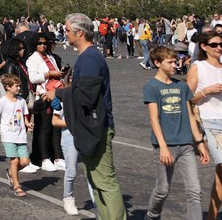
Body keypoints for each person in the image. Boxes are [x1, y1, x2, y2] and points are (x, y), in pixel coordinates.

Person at [55, 13, 126, 220]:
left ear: (79, 32)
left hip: (98, 126)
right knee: (96, 182)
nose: (65, 33)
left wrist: (59, 93)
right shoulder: (87, 57)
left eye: (67, 30)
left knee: (105, 182)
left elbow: (86, 96)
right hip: (91, 126)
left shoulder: (90, 58)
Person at [143, 44, 208, 220]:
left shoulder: (181, 86)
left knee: (194, 190)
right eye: (170, 62)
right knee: (162, 189)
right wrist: (163, 147)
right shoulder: (152, 87)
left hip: (186, 144)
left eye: (175, 61)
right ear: (157, 63)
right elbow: (154, 119)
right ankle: (152, 215)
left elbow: (190, 115)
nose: (175, 65)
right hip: (165, 146)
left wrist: (200, 143)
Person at [188, 27, 222, 219]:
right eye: (214, 45)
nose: (219, 48)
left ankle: (210, 217)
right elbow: (187, 98)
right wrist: (206, 91)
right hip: (213, 126)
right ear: (204, 46)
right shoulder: (198, 67)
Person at [0, 74, 33, 198]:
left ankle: (10, 173)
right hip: (8, 135)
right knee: (15, 160)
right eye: (16, 86)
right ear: (8, 87)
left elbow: (24, 115)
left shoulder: (22, 101)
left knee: (25, 161)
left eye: (19, 86)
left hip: (20, 135)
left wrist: (28, 124)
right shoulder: (2, 101)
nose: (19, 88)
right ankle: (17, 186)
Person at [26, 33, 65, 173]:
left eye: (44, 43)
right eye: (39, 43)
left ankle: (57, 157)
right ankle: (44, 158)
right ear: (35, 45)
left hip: (55, 92)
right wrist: (49, 74)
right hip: (43, 95)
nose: (42, 45)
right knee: (44, 127)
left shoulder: (49, 56)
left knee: (55, 127)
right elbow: (33, 78)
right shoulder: (33, 58)